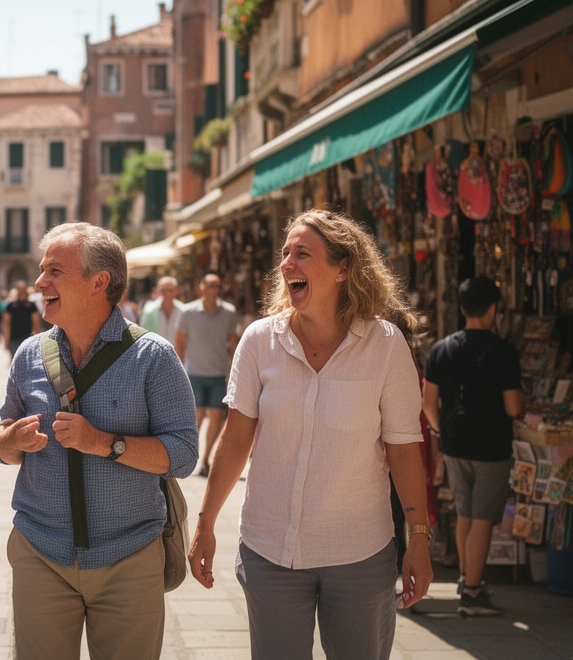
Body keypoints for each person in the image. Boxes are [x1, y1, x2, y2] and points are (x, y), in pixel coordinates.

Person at [188, 210, 433, 660]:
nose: (287, 264)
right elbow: (237, 438)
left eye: (302, 253)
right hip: (270, 550)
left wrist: (418, 536)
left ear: (343, 269)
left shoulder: (385, 345)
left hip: (359, 552)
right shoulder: (260, 341)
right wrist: (204, 524)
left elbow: (403, 450)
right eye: (285, 254)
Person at [0, 222, 198, 660]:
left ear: (98, 283)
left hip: (130, 556)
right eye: (41, 270)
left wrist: (104, 442)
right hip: (40, 552)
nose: (39, 282)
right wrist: (11, 440)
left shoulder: (153, 356)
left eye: (54, 271)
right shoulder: (29, 354)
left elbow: (182, 454)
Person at [421, 276, 522, 617]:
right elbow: (513, 408)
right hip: (492, 447)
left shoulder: (441, 349)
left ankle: (467, 580)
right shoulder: (504, 352)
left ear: (462, 308)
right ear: (493, 309)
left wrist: (440, 432)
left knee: (464, 513)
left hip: (455, 444)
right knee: (482, 519)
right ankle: (473, 593)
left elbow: (428, 403)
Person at [174, 273, 240, 478]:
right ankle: (188, 456)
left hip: (218, 374)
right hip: (193, 373)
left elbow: (233, 345)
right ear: (201, 287)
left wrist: (237, 373)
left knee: (216, 416)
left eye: (218, 286)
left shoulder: (229, 313)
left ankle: (205, 460)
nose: (215, 289)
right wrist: (178, 373)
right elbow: (179, 344)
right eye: (211, 285)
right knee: (197, 417)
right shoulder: (188, 312)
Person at [140, 276, 185, 346]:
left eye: (170, 290)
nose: (167, 293)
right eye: (164, 290)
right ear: (159, 291)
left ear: (176, 291)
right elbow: (144, 335)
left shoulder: (183, 310)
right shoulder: (149, 311)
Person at [1, 281, 41, 357]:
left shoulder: (31, 306)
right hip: (14, 339)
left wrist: (35, 339)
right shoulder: (11, 306)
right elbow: (6, 323)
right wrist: (6, 340)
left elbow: (36, 323)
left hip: (28, 339)